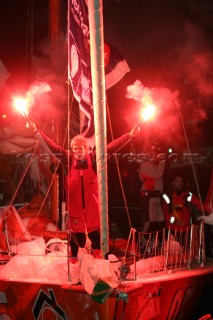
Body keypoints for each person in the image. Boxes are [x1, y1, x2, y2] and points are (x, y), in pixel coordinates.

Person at [31, 124, 140, 257]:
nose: (78, 151)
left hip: (93, 209)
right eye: (75, 149)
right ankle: (76, 267)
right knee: (76, 243)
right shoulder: (68, 159)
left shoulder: (94, 159)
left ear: (87, 149)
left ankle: (98, 266)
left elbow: (111, 148)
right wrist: (36, 132)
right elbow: (52, 146)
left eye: (81, 148)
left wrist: (129, 136)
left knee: (97, 241)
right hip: (75, 209)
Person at [162, 174, 213, 258]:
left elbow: (199, 204)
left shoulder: (187, 195)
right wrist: (175, 221)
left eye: (181, 181)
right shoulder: (167, 196)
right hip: (173, 231)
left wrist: (209, 210)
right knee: (174, 255)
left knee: (188, 253)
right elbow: (166, 214)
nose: (180, 183)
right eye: (177, 181)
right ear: (172, 183)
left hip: (186, 230)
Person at [139, 143, 166, 236]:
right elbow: (157, 174)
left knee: (158, 223)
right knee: (151, 224)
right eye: (152, 152)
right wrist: (162, 164)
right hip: (150, 198)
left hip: (155, 198)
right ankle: (143, 245)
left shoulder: (151, 165)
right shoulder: (146, 165)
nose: (155, 154)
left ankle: (153, 244)